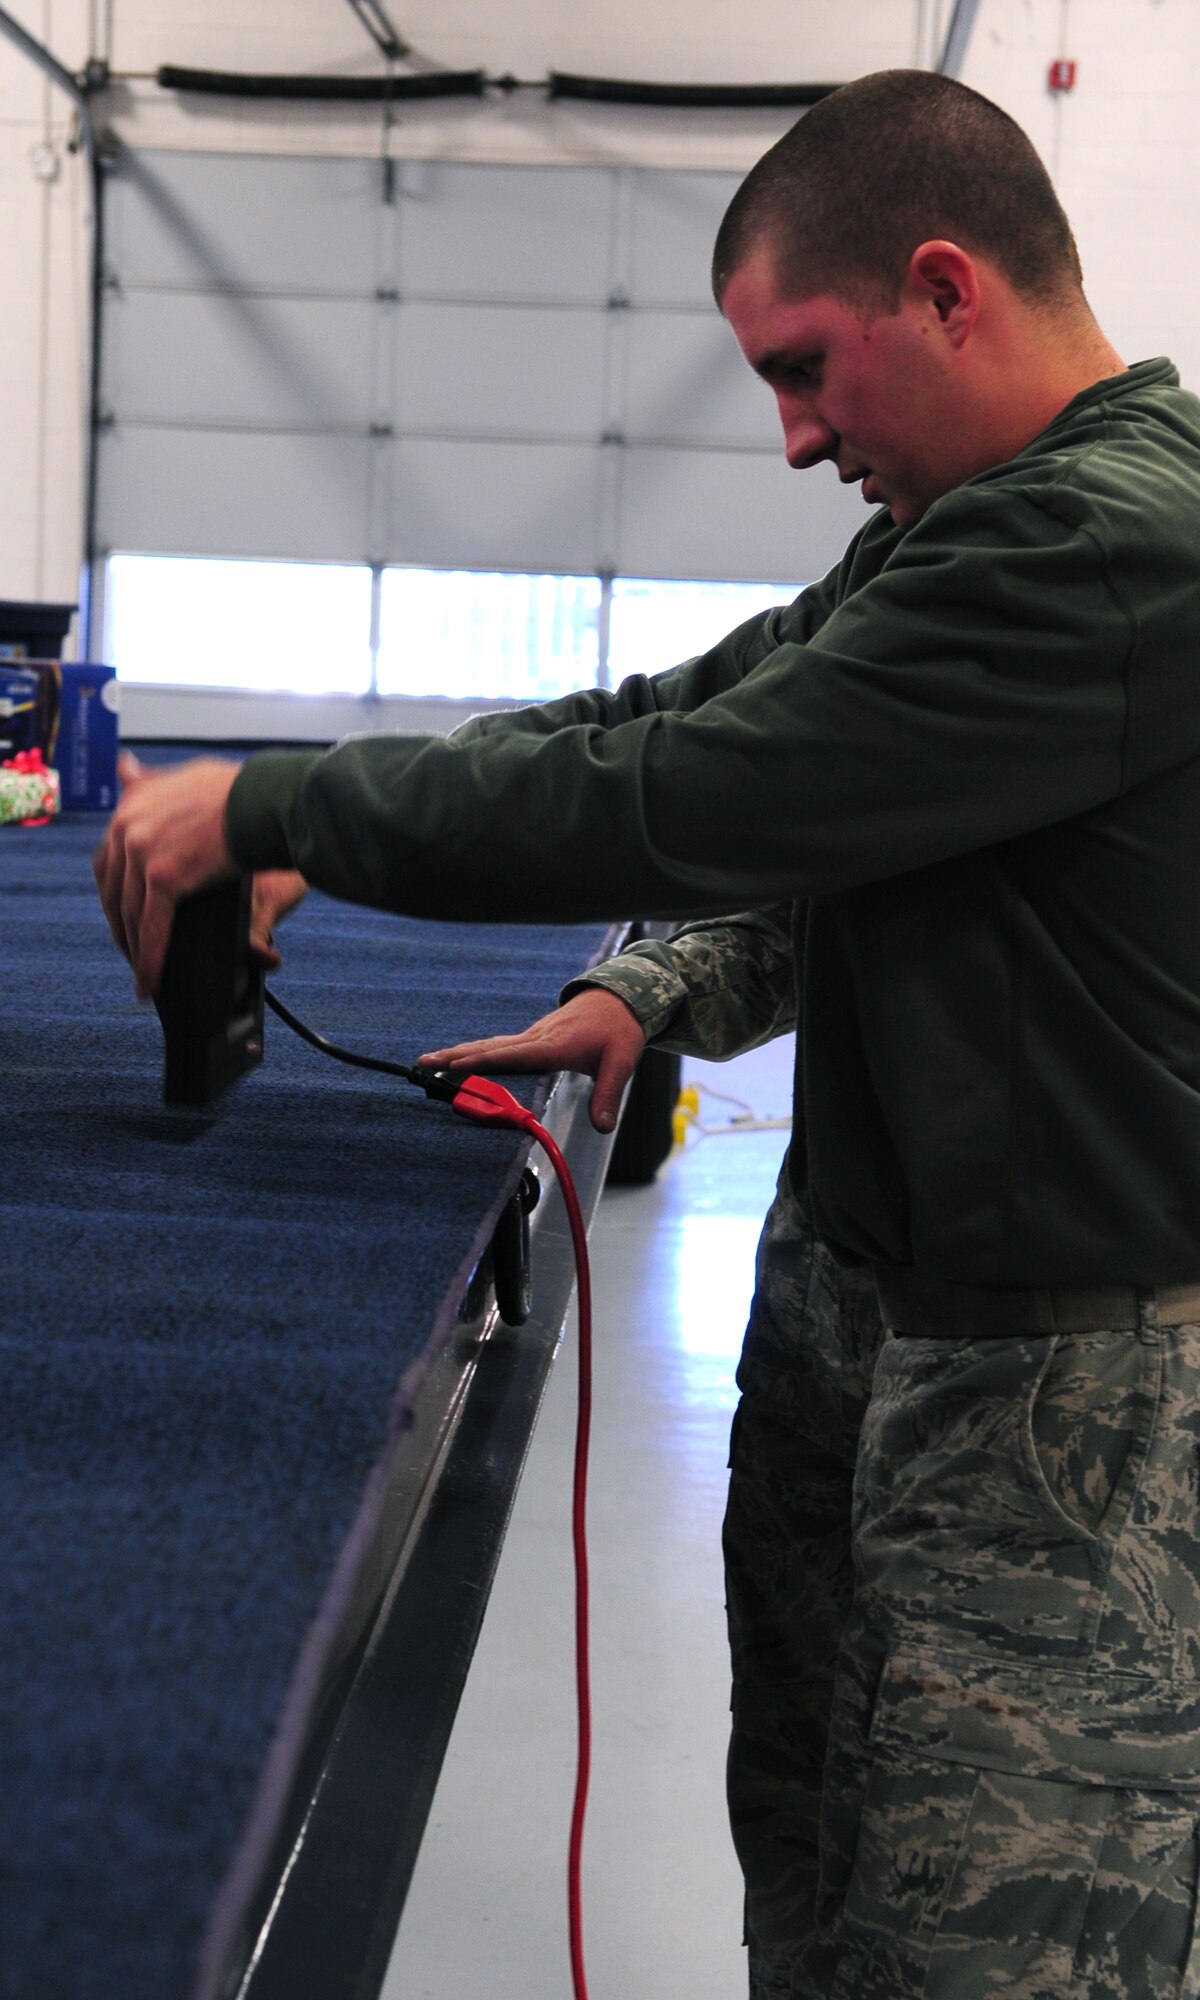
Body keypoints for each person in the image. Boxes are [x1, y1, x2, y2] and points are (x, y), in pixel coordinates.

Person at [95, 68, 1200, 1998]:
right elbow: (682, 725)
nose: (790, 440)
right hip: (870, 1351)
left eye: (804, 367)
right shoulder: (971, 527)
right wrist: (648, 984)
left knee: (980, 1960)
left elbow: (684, 792)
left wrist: (275, 816)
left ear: (948, 289)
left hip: (1048, 1437)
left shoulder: (1107, 548)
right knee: (817, 1896)